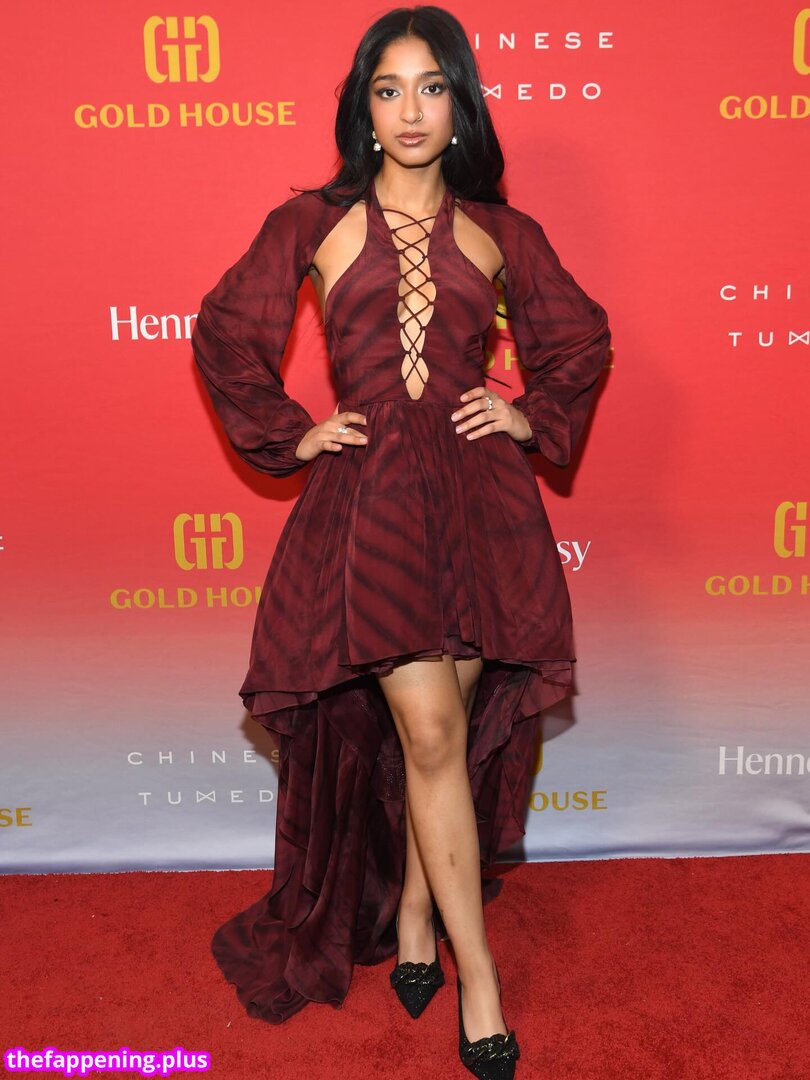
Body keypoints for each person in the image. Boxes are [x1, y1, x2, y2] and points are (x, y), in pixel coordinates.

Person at [191, 6, 610, 1077]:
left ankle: (418, 914)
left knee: (447, 735)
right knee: (428, 732)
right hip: (372, 507)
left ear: (460, 104)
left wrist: (525, 414)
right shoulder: (314, 222)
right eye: (389, 90)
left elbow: (580, 338)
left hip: (478, 506)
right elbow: (225, 331)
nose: (410, 110)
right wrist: (293, 432)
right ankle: (483, 982)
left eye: (432, 87)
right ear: (363, 109)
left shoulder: (500, 231)